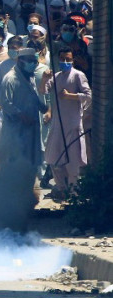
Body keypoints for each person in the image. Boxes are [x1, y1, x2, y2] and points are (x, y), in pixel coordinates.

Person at [0, 48, 47, 230]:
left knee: (31, 165)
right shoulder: (10, 79)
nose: (33, 64)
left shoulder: (29, 76)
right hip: (17, 132)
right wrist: (21, 115)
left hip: (32, 130)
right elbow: (6, 104)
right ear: (21, 61)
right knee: (18, 167)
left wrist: (43, 107)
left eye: (35, 60)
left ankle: (27, 204)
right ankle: (14, 207)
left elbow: (33, 96)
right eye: (30, 60)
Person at [41, 49, 91, 201]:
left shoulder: (78, 75)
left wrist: (71, 96)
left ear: (72, 60)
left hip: (73, 125)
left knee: (73, 161)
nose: (65, 62)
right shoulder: (56, 77)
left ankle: (74, 191)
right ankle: (61, 188)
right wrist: (44, 79)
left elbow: (88, 96)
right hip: (58, 125)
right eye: (62, 59)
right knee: (54, 159)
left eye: (68, 59)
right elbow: (43, 90)